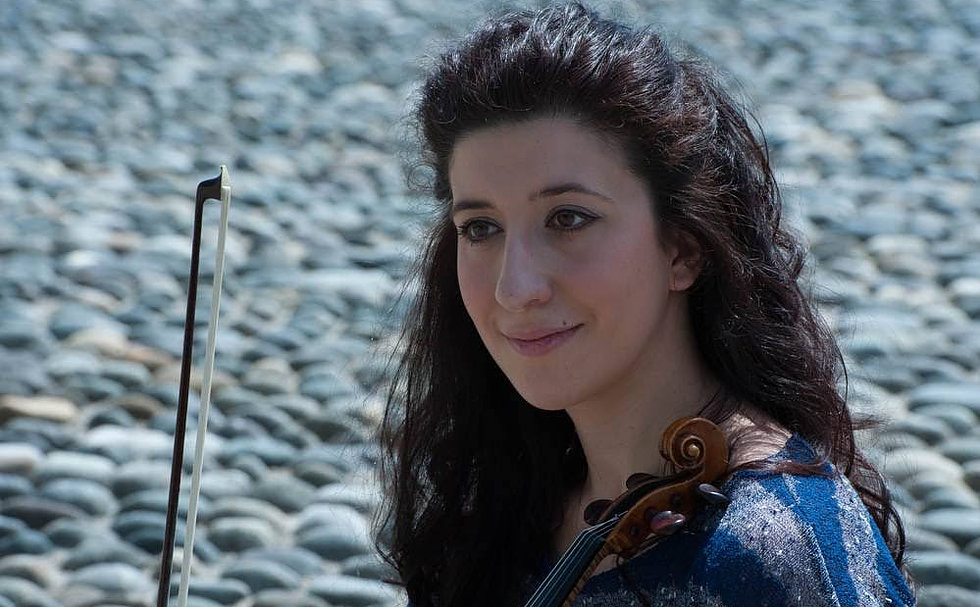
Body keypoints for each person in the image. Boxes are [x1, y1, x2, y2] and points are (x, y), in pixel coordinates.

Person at [374, 3, 917, 606]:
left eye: (568, 219)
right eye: (480, 228)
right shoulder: (519, 498)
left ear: (683, 248)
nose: (514, 288)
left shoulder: (770, 551)